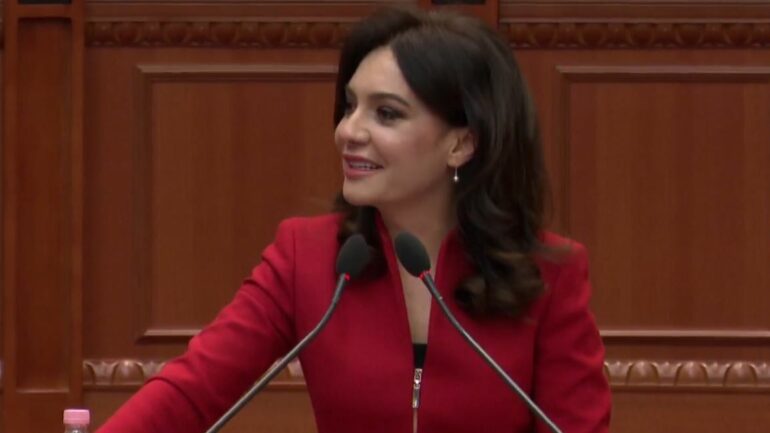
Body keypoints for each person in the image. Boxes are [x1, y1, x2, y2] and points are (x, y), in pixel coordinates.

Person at [97, 6, 611, 433]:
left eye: (386, 113)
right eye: (349, 107)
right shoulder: (310, 257)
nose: (349, 131)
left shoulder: (549, 275)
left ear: (461, 143)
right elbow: (191, 391)